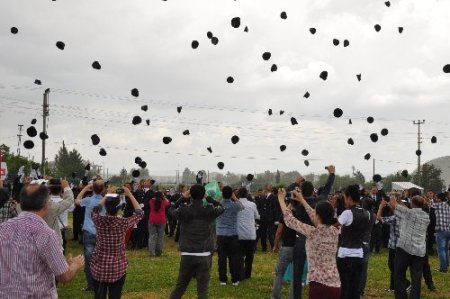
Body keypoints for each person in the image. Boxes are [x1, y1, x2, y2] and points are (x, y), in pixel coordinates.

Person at [0, 184, 84, 298]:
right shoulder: (46, 234)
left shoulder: (3, 228)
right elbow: (64, 276)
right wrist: (75, 265)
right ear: (45, 205)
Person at [278, 188, 341, 299]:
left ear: (318, 216)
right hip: (335, 284)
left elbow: (290, 220)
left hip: (318, 285)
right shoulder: (335, 231)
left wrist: (281, 199)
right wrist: (302, 200)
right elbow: (318, 218)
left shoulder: (312, 232)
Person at [169, 184, 224, 299]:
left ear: (191, 195)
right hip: (204, 253)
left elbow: (171, 209)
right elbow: (222, 207)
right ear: (203, 194)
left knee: (180, 286)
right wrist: (209, 198)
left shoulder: (184, 210)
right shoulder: (209, 210)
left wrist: (182, 198)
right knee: (202, 289)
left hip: (187, 253)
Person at [90, 186, 143, 299]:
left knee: (99, 296)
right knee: (115, 296)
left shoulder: (98, 220)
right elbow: (139, 213)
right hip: (117, 267)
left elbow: (95, 209)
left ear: (105, 206)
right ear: (119, 207)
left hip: (99, 266)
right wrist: (130, 194)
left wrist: (107, 195)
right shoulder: (122, 223)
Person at [291, 165, 335, 299]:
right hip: (316, 241)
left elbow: (285, 193)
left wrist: (296, 183)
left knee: (297, 274)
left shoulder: (297, 203)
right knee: (318, 272)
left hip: (301, 239)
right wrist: (332, 174)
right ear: (313, 192)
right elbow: (327, 189)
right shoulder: (319, 202)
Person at [390, 194, 430, 299]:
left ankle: (401, 296)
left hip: (404, 248)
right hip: (419, 250)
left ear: (412, 204)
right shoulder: (426, 216)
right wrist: (400, 201)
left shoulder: (408, 213)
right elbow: (407, 210)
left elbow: (394, 205)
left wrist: (393, 196)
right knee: (416, 277)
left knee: (399, 273)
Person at [336, 184, 370, 299]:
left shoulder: (347, 213)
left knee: (344, 287)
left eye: (344, 198)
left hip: (345, 254)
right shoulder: (366, 213)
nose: (344, 201)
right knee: (355, 288)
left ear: (349, 197)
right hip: (359, 253)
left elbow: (335, 225)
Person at [75, 179, 106, 292]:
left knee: (89, 261)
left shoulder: (88, 200)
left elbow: (77, 200)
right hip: (101, 232)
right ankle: (101, 283)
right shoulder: (105, 201)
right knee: (101, 259)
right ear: (103, 189)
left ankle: (91, 285)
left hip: (88, 231)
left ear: (92, 189)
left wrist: (84, 189)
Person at [215, 185, 244, 286]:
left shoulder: (218, 205)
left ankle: (223, 279)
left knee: (221, 258)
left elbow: (213, 204)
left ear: (222, 194)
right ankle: (235, 279)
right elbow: (242, 206)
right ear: (231, 194)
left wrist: (220, 197)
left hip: (221, 234)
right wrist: (234, 197)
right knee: (233, 257)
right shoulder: (234, 205)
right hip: (232, 234)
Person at [271, 204, 297, 299]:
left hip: (286, 246)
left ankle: (275, 296)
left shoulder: (286, 214)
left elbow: (279, 231)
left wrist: (275, 245)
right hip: (299, 247)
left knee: (279, 273)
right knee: (295, 275)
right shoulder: (303, 213)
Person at [236, 187, 260, 281]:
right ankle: (247, 274)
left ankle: (240, 273)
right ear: (247, 194)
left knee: (240, 255)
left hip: (239, 233)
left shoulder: (236, 204)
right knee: (249, 256)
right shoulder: (252, 204)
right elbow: (256, 216)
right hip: (250, 233)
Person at [46, 178, 74, 254]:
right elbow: (72, 208)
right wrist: (66, 189)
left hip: (48, 229)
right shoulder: (64, 202)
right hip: (61, 229)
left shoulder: (46, 203)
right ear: (61, 190)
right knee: (61, 253)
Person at [148, 191, 170, 256]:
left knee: (152, 236)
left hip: (152, 220)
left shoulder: (151, 201)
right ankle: (159, 252)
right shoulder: (164, 201)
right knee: (160, 237)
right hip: (161, 220)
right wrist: (164, 197)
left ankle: (152, 252)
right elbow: (168, 202)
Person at [432, 192, 450, 273]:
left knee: (441, 250)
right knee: (446, 249)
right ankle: (446, 265)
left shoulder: (438, 205)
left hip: (441, 230)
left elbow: (429, 204)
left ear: (439, 199)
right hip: (448, 230)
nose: (435, 199)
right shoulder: (448, 206)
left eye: (436, 198)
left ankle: (443, 268)